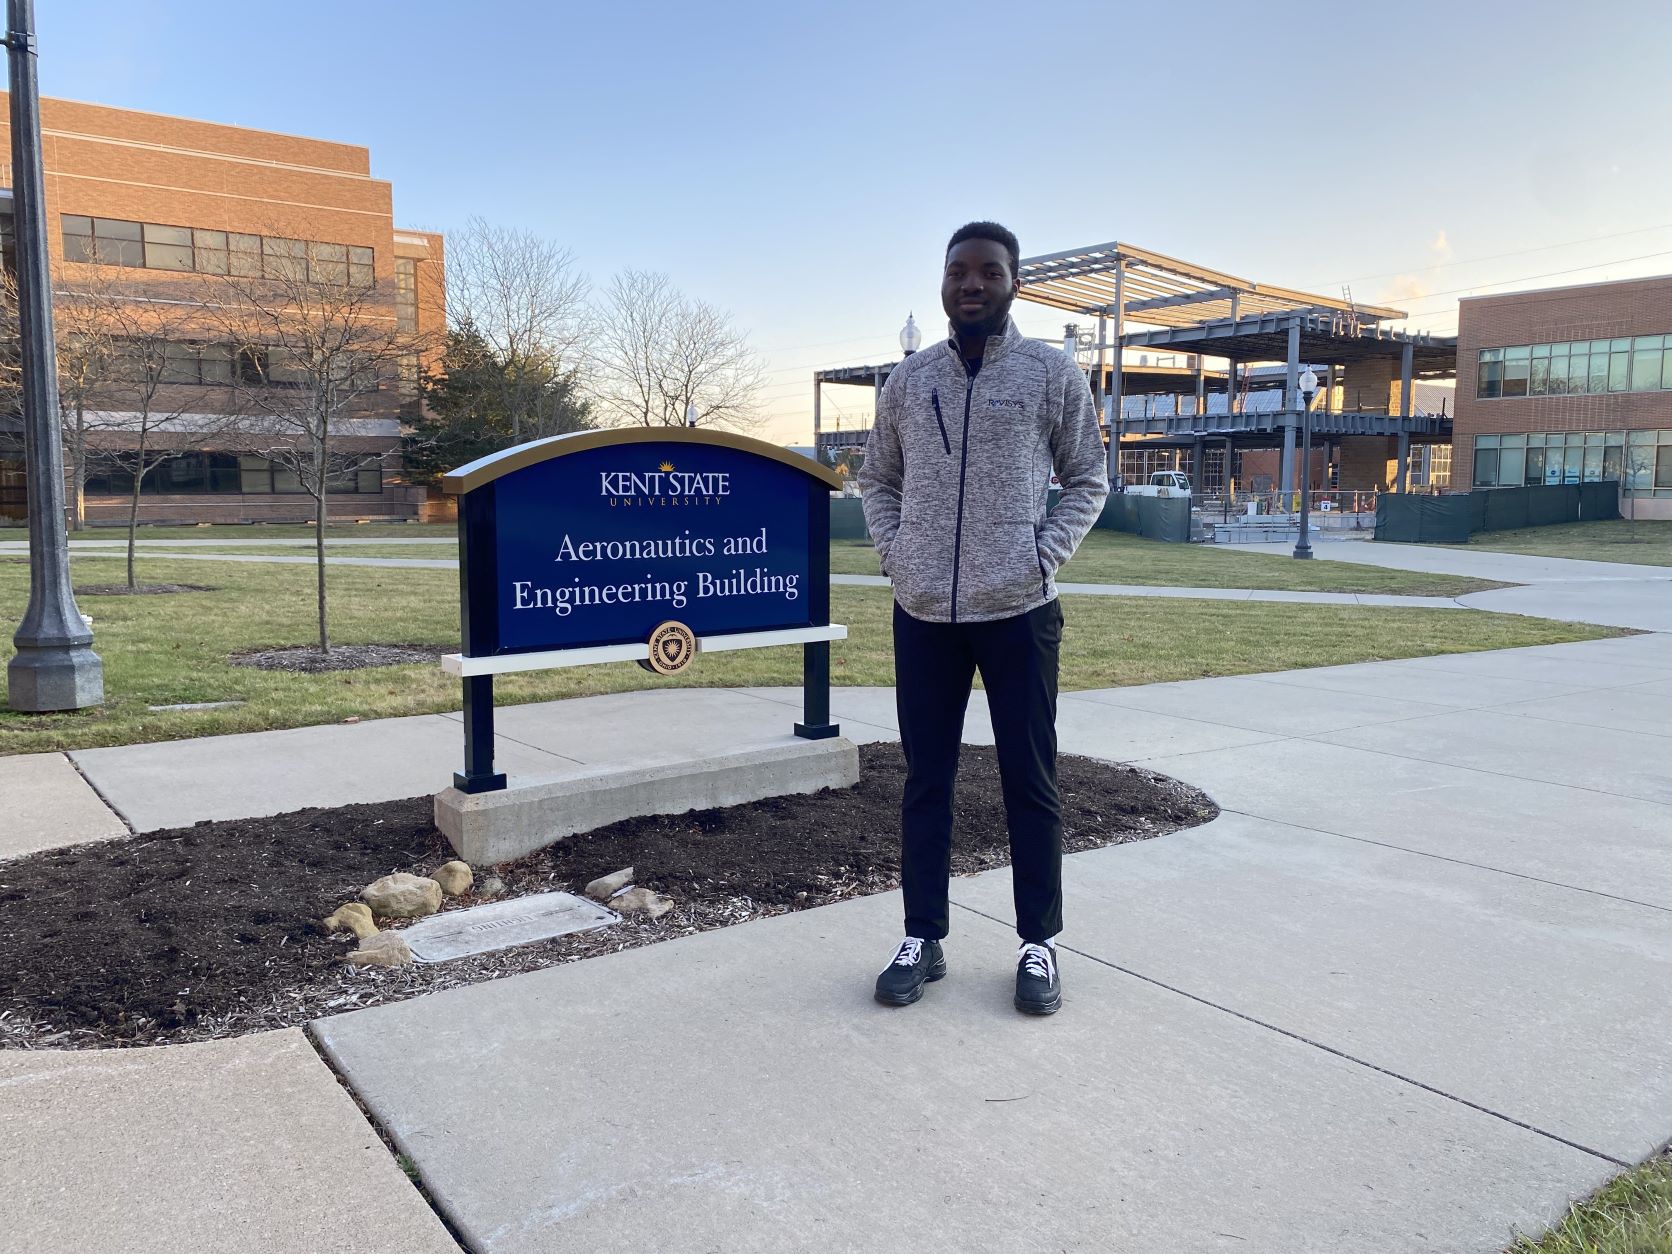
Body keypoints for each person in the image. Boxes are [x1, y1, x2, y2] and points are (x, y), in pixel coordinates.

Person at [858, 221, 1109, 1016]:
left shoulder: (1049, 373)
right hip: (923, 610)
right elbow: (877, 481)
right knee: (925, 781)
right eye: (958, 271)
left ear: (1013, 284)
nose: (971, 283)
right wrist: (900, 558)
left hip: (1019, 612)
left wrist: (1042, 558)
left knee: (1028, 781)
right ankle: (922, 936)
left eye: (988, 272)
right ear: (943, 283)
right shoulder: (909, 381)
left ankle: (1039, 944)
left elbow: (1088, 477)